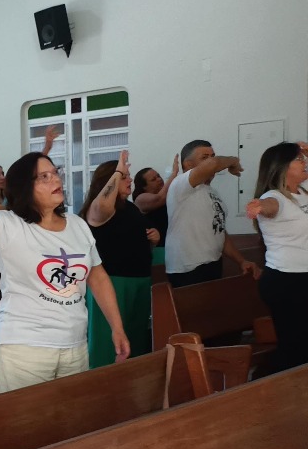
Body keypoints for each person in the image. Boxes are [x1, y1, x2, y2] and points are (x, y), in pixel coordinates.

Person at [0, 147, 130, 391]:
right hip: (25, 348)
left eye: (55, 172)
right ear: (24, 187)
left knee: (72, 413)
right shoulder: (7, 226)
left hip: (75, 345)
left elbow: (97, 276)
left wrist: (117, 327)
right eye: (44, 177)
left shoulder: (77, 224)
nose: (56, 179)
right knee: (26, 415)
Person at [79, 151, 158, 367]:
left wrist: (153, 238)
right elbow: (102, 206)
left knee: (135, 341)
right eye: (125, 177)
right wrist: (117, 173)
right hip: (112, 282)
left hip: (139, 280)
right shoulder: (100, 208)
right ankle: (103, 381)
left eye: (128, 175)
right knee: (108, 344)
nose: (129, 180)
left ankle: (132, 382)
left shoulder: (130, 207)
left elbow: (133, 241)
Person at [245, 141, 308, 372]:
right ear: (281, 166)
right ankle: (267, 380)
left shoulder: (302, 192)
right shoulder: (275, 196)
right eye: (298, 159)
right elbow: (270, 206)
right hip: (286, 281)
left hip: (302, 278)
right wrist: (259, 206)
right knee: (296, 346)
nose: (304, 162)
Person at [165, 139, 261, 286]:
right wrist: (233, 161)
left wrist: (241, 261)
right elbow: (214, 164)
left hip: (213, 263)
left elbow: (218, 232)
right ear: (188, 165)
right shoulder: (180, 185)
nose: (211, 160)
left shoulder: (212, 192)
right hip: (188, 268)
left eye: (212, 156)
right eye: (204, 157)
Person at [132, 155, 179, 264]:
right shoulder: (140, 198)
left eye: (158, 176)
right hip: (157, 250)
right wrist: (174, 173)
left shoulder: (167, 196)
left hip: (172, 247)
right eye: (153, 179)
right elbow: (159, 199)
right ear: (144, 187)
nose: (159, 179)